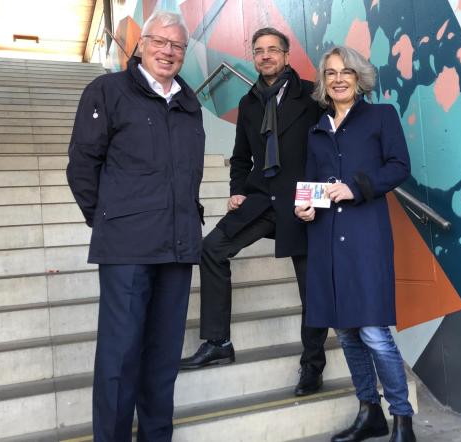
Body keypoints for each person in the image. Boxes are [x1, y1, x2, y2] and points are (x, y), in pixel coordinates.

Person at [66, 10, 204, 441]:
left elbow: (187, 174)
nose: (167, 51)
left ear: (184, 53)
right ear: (141, 44)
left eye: (177, 46)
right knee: (120, 358)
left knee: (162, 359)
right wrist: (109, 220)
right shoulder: (107, 91)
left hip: (178, 247)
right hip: (127, 248)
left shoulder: (188, 101)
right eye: (159, 42)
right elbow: (82, 168)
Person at [179, 27, 329, 397]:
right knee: (211, 248)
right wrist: (236, 191)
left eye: (272, 50)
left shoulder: (313, 95)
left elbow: (332, 152)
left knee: (313, 291)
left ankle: (312, 366)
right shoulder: (249, 102)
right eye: (259, 50)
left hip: (302, 202)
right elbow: (241, 156)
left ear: (286, 55)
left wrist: (318, 199)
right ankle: (218, 343)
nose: (265, 56)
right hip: (261, 199)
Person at [295, 46, 416, 442]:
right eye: (330, 73)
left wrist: (357, 187)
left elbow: (399, 167)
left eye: (346, 71)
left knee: (374, 332)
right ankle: (370, 412)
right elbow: (311, 184)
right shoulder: (317, 129)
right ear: (323, 83)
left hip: (366, 237)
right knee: (346, 332)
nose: (338, 78)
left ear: (360, 77)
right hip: (327, 239)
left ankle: (401, 417)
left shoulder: (381, 117)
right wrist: (305, 209)